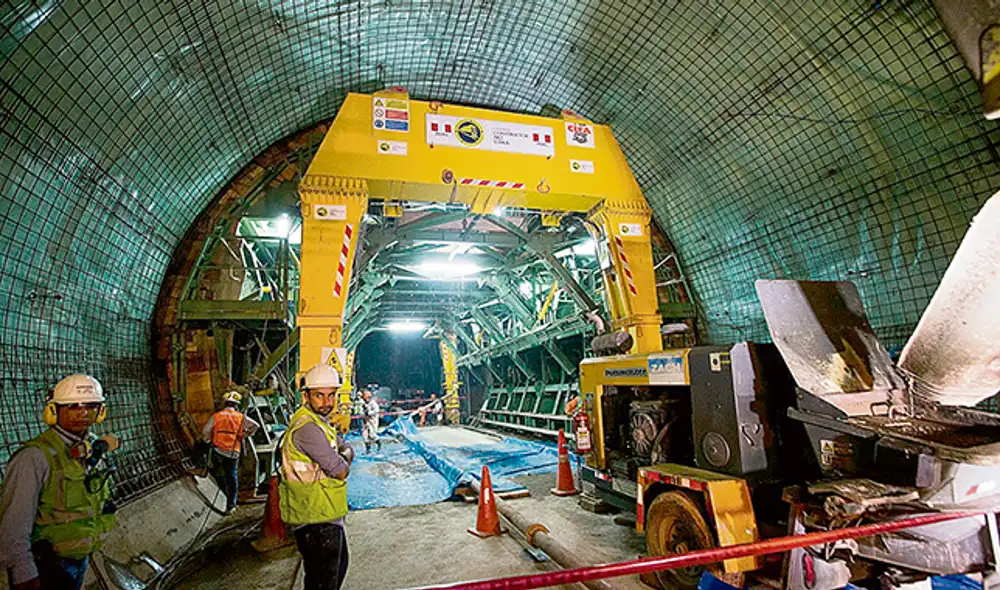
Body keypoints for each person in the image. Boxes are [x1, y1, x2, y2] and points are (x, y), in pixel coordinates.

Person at [0, 374, 118, 590]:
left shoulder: (92, 447)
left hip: (79, 559)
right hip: (46, 566)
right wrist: (24, 573)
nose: (83, 413)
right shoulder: (34, 457)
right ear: (54, 411)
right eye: (73, 406)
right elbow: (13, 525)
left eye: (91, 406)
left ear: (100, 412)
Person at [281, 363, 354, 590]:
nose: (327, 402)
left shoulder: (318, 423)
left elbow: (344, 449)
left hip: (322, 514)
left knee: (326, 575)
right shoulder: (308, 429)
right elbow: (341, 470)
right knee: (325, 582)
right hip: (316, 518)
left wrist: (342, 454)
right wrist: (343, 457)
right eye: (319, 396)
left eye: (331, 395)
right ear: (306, 396)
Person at [201, 390, 259, 514]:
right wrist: (245, 435)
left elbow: (206, 431)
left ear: (225, 403)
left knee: (216, 473)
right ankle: (231, 506)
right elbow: (256, 425)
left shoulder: (216, 416)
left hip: (217, 450)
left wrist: (208, 440)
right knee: (232, 477)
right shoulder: (240, 417)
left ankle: (221, 491)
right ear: (236, 405)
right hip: (233, 452)